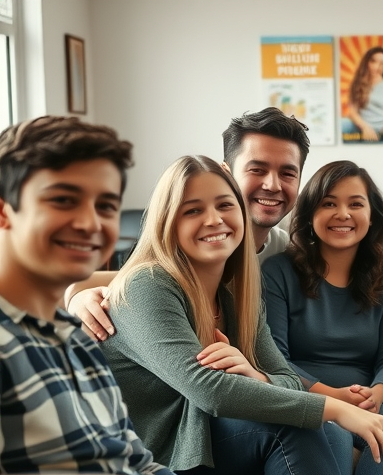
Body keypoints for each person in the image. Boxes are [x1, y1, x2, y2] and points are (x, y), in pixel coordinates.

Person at [0, 115, 383, 475]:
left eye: (106, 206)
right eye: (64, 201)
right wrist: (336, 408)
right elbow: (206, 390)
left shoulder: (243, 282)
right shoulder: (141, 288)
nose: (90, 224)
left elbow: (137, 461)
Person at [99, 154, 383, 475]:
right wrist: (337, 408)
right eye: (192, 210)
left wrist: (257, 378)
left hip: (199, 453)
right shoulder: (148, 284)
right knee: (293, 424)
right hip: (153, 466)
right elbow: (209, 391)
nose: (214, 220)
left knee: (310, 423)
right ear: (168, 221)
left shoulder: (237, 292)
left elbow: (287, 379)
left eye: (225, 205)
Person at [65, 107, 310, 341]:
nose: (273, 185)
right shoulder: (191, 244)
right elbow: (129, 283)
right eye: (257, 169)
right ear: (226, 173)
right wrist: (77, 297)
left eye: (288, 174)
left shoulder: (287, 249)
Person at [262, 160, 383, 475]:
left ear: (372, 214)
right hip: (306, 394)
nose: (343, 214)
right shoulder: (278, 272)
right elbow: (275, 357)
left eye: (356, 204)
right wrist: (332, 398)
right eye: (329, 203)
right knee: (334, 430)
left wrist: (376, 396)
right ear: (310, 212)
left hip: (366, 397)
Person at [341, 46, 383, 143]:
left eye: (382, 64)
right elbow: (353, 112)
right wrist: (365, 128)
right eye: (373, 61)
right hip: (362, 128)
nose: (376, 66)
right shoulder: (357, 84)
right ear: (367, 63)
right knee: (340, 124)